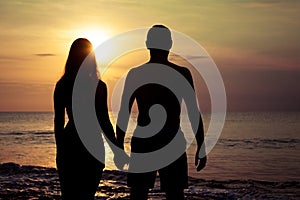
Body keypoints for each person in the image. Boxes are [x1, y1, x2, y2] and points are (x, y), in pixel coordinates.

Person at [116, 25, 207, 200]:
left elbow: (123, 114)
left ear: (147, 44)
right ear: (170, 44)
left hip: (145, 142)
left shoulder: (136, 74)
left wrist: (119, 146)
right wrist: (201, 145)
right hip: (171, 140)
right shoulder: (181, 73)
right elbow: (194, 113)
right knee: (173, 194)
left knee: (139, 193)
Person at [54, 38, 116, 199]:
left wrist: (60, 150)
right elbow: (104, 122)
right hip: (91, 144)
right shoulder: (98, 86)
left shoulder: (62, 85)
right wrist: (117, 149)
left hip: (70, 144)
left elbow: (58, 123)